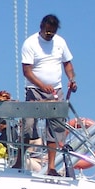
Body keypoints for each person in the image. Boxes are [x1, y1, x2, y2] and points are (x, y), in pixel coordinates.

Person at [21, 14, 77, 176]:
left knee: (55, 128)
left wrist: (72, 79)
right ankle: (19, 161)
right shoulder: (30, 43)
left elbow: (67, 64)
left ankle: (51, 167)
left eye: (52, 32)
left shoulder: (60, 42)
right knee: (28, 126)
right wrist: (42, 85)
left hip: (55, 91)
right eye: (47, 32)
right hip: (34, 90)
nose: (49, 35)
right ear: (41, 27)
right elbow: (27, 71)